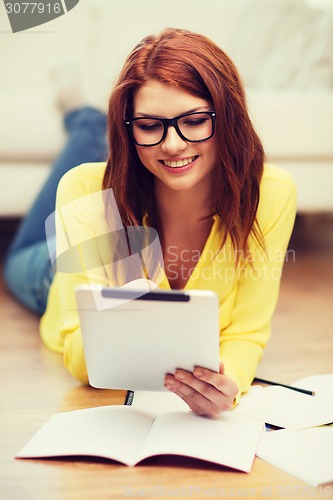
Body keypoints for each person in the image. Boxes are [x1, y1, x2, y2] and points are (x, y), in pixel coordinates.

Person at [4, 28, 297, 418]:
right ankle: (83, 117)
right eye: (148, 125)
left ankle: (82, 116)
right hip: (47, 271)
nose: (173, 145)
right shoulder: (86, 191)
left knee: (93, 135)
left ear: (228, 117)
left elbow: (247, 334)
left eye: (194, 120)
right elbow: (78, 355)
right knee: (15, 260)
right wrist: (125, 315)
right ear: (130, 129)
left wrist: (230, 380)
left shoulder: (270, 193)